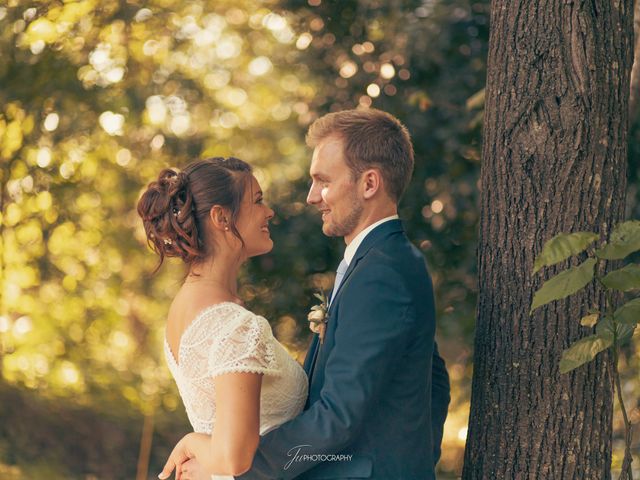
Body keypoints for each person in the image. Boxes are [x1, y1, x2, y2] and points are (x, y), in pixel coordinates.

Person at [178, 108, 450, 480]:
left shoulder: (381, 273)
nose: (311, 197)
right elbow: (433, 379)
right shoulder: (380, 263)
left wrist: (229, 468)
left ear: (369, 184)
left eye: (323, 181)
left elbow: (337, 418)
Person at [137, 157, 308, 479]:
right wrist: (191, 441)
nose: (269, 211)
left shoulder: (184, 308)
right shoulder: (234, 325)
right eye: (257, 201)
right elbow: (233, 458)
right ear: (221, 217)